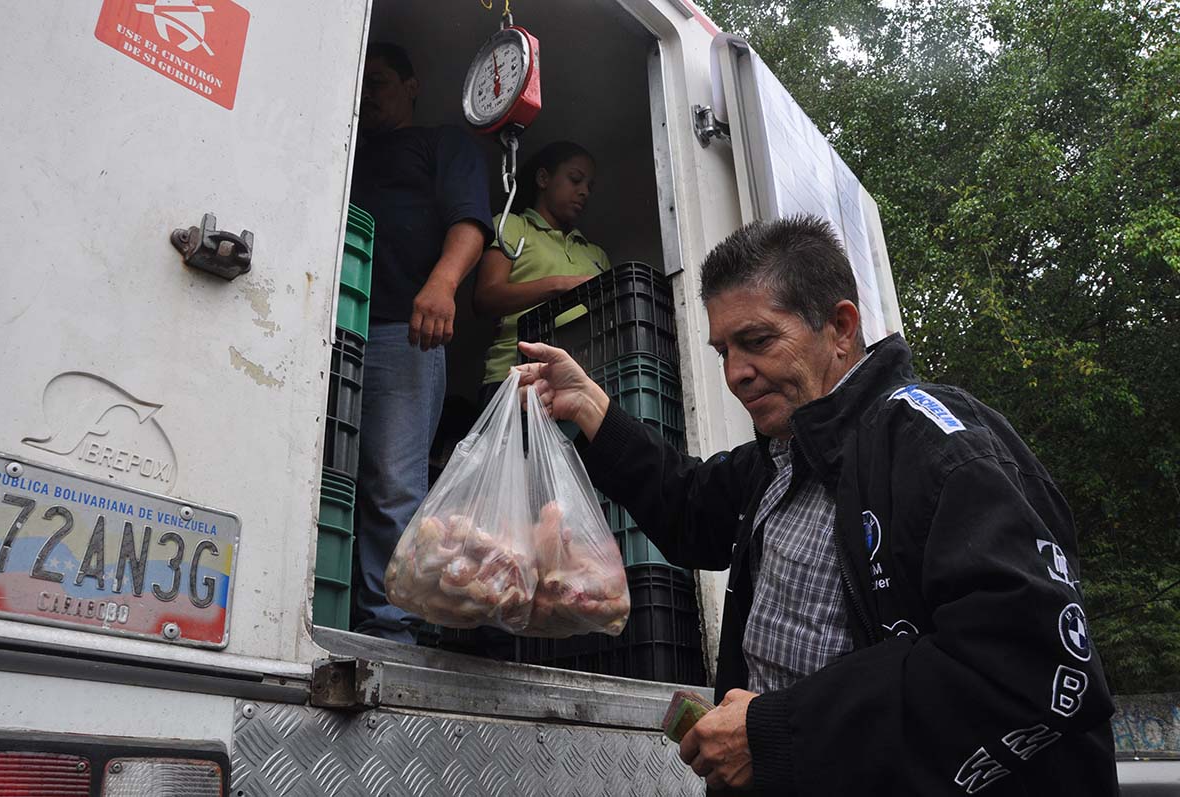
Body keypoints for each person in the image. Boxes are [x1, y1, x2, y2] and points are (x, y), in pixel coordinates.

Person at [515, 215, 1117, 794]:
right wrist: (593, 408)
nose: (736, 374)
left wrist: (777, 732)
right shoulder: (783, 455)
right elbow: (688, 508)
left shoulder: (937, 446)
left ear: (840, 327)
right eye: (723, 350)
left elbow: (1035, 665)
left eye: (756, 342)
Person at [349, 43, 492, 642]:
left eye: (381, 81)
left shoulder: (440, 142)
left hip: (398, 332)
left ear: (411, 87)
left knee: (391, 482)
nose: (371, 93)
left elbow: (470, 223)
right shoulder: (343, 143)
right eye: (365, 83)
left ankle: (391, 629)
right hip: (326, 325)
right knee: (330, 475)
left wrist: (442, 284)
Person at [474, 141, 610, 406]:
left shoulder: (596, 255)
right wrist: (561, 285)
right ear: (543, 178)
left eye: (589, 187)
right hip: (515, 379)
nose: (584, 192)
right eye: (575, 179)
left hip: (583, 387)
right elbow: (485, 298)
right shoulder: (512, 226)